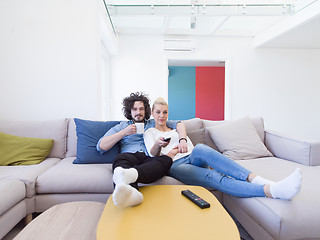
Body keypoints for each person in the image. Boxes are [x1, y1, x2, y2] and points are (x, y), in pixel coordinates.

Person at [144, 97, 302, 200]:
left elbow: (180, 125)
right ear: (152, 113)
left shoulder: (174, 128)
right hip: (175, 165)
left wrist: (183, 139)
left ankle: (256, 179)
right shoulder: (150, 132)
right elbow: (153, 155)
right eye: (158, 112)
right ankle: (270, 190)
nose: (161, 116)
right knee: (214, 177)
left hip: (193, 156)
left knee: (201, 148)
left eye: (164, 112)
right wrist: (158, 144)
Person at [96, 92, 187, 207]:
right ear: (130, 111)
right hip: (129, 156)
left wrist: (183, 139)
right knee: (119, 161)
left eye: (141, 109)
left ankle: (132, 181)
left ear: (146, 111)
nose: (138, 112)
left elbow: (179, 124)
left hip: (149, 158)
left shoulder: (154, 122)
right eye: (134, 109)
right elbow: (101, 146)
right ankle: (132, 196)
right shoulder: (122, 126)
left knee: (166, 160)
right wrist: (124, 133)